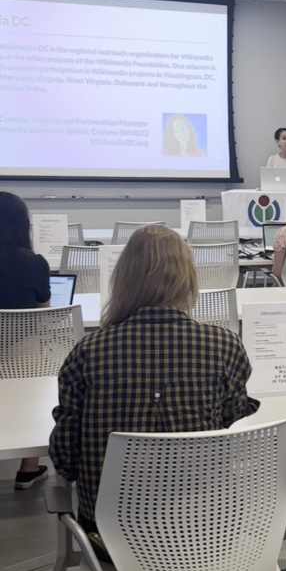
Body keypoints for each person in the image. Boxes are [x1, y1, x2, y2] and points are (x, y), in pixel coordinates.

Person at [49, 226, 259, 542]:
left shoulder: (87, 353)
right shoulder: (225, 347)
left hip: (111, 538)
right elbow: (230, 426)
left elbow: (65, 459)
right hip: (203, 533)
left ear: (123, 281)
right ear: (188, 280)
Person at [0, 192, 51, 489]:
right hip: (22, 365)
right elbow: (41, 320)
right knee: (44, 350)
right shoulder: (35, 263)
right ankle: (28, 467)